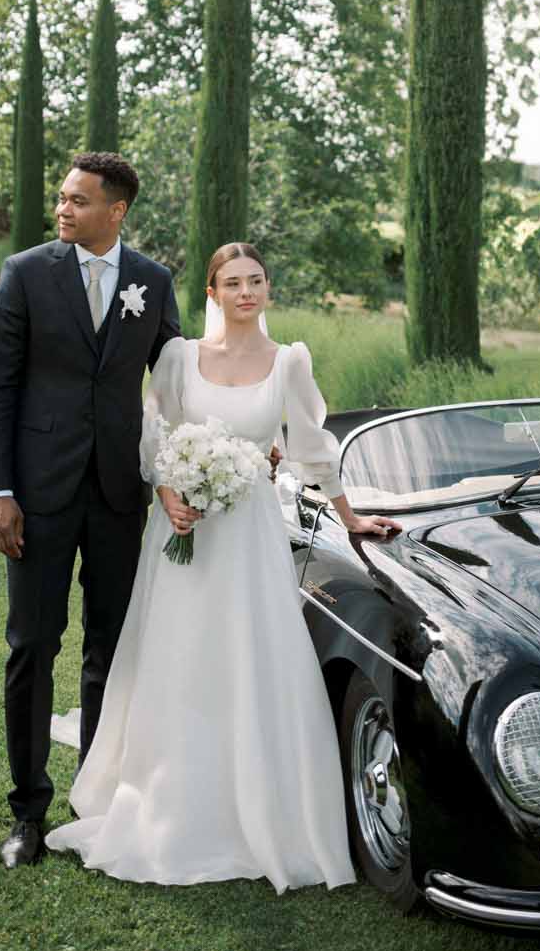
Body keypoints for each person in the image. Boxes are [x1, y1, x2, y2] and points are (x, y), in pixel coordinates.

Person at [44, 241, 400, 891]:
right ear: (211, 293)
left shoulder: (288, 361)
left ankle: (261, 803)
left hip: (251, 536)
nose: (244, 292)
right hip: (184, 533)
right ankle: (167, 791)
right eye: (232, 282)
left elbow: (312, 449)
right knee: (180, 653)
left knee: (247, 652)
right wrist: (170, 494)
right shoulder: (180, 358)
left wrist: (351, 519)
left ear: (267, 290)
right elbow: (155, 434)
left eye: (255, 281)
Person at [0, 152, 182, 869]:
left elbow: (179, 377)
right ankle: (27, 813)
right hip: (37, 490)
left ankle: (93, 807)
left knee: (109, 650)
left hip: (119, 494)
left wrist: (237, 440)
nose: (62, 210)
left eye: (77, 201)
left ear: (116, 212)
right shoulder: (27, 273)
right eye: (60, 198)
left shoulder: (152, 282)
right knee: (33, 644)